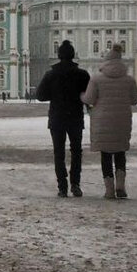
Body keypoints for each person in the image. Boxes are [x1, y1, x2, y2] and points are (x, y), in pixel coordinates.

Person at [82, 45, 137, 199]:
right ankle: (121, 186)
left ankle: (109, 190)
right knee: (120, 152)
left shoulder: (96, 79)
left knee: (106, 155)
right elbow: (135, 100)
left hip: (103, 121)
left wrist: (82, 96)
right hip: (122, 120)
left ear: (105, 61)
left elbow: (89, 99)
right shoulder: (129, 79)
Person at [36, 40, 91, 197]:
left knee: (58, 153)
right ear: (73, 55)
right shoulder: (82, 75)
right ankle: (75, 183)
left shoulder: (51, 75)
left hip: (57, 118)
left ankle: (62, 186)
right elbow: (88, 96)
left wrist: (54, 95)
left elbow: (40, 95)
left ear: (59, 55)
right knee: (76, 151)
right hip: (75, 117)